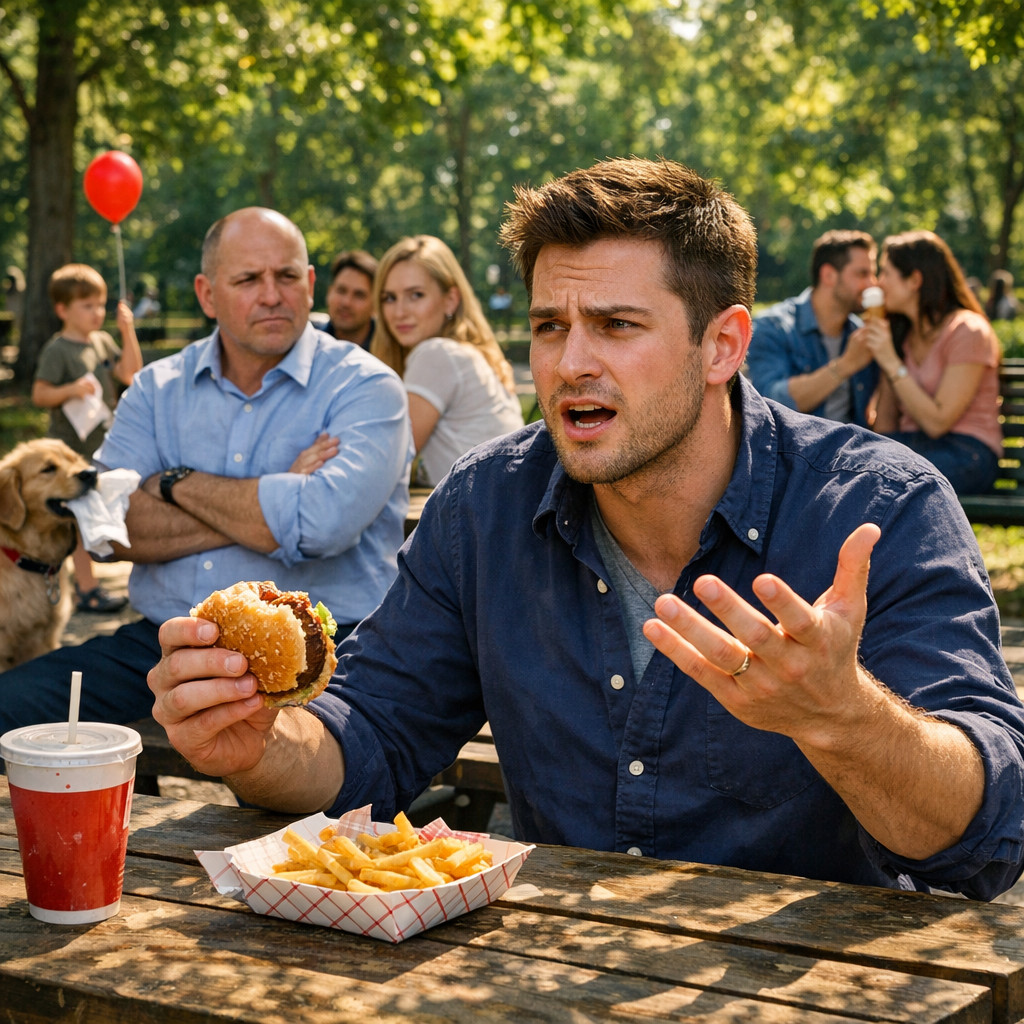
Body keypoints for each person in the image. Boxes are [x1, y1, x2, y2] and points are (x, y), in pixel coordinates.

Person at [148, 160, 1024, 901]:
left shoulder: (882, 508)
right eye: (548, 327)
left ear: (723, 345)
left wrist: (847, 720)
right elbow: (370, 737)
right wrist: (259, 744)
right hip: (556, 980)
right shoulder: (484, 506)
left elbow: (986, 833)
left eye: (616, 325)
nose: (570, 365)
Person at [0, 207, 412, 733]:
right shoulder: (155, 389)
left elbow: (320, 526)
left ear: (309, 285)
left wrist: (172, 483)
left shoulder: (365, 387)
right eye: (247, 279)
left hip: (320, 656)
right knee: (9, 705)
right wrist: (276, 492)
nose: (271, 294)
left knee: (286, 795)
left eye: (286, 276)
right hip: (162, 644)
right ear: (206, 294)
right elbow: (107, 524)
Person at [31, 263, 143, 612]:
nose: (97, 313)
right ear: (63, 309)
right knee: (79, 520)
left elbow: (130, 372)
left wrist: (128, 332)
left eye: (100, 305)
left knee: (100, 512)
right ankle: (86, 588)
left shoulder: (102, 341)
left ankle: (86, 582)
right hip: (70, 452)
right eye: (87, 306)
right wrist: (70, 390)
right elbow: (40, 394)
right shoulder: (58, 350)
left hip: (100, 445)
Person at [370, 235, 524, 486]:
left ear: (450, 299)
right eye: (389, 298)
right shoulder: (466, 354)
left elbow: (383, 463)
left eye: (416, 295)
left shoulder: (437, 354)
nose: (399, 312)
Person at [861, 230, 1003, 496]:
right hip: (915, 448)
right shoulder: (902, 336)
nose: (878, 284)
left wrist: (891, 361)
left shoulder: (967, 331)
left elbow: (938, 422)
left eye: (886, 273)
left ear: (914, 280)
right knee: (858, 465)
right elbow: (885, 430)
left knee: (880, 481)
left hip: (967, 452)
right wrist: (885, 355)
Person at [747, 230, 879, 426]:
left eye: (873, 274)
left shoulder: (861, 333)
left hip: (852, 451)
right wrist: (845, 365)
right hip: (796, 453)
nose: (872, 284)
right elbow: (769, 401)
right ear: (828, 275)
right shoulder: (773, 327)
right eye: (862, 274)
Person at [320, 249, 378, 349]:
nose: (346, 302)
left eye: (359, 295)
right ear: (329, 292)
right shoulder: (306, 349)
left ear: (375, 305)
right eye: (341, 291)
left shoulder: (394, 356)